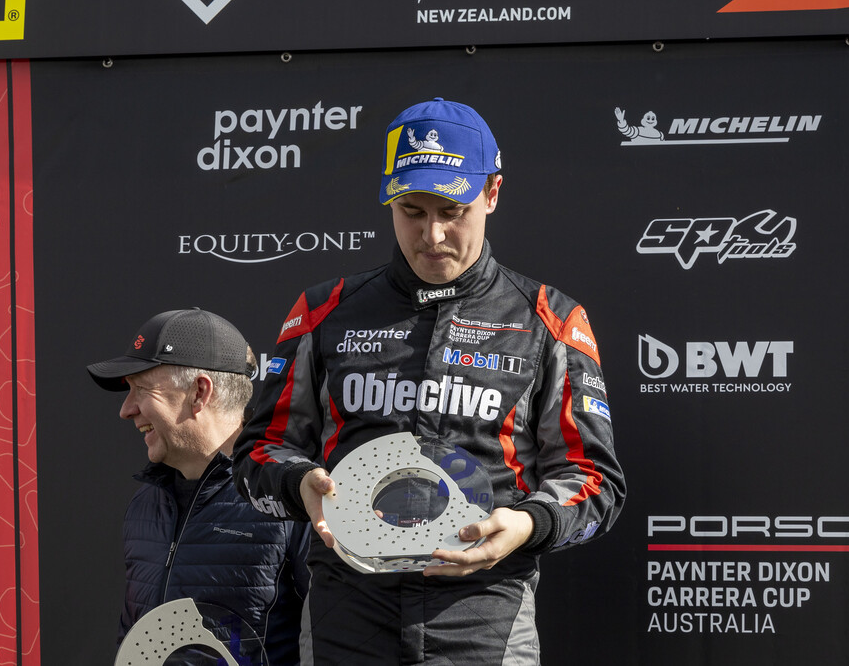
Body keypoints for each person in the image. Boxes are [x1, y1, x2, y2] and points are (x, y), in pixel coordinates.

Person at [233, 98, 625, 665]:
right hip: (348, 608)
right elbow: (257, 454)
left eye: (451, 210)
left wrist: (528, 523)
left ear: (492, 193)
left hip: (483, 611)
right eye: (412, 211)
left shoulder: (548, 320)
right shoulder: (324, 311)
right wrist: (299, 484)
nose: (432, 234)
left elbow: (595, 481)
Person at [87, 307, 310, 665]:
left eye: (141, 389)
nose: (126, 410)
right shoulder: (147, 501)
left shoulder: (290, 498)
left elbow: (337, 642)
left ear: (199, 393)